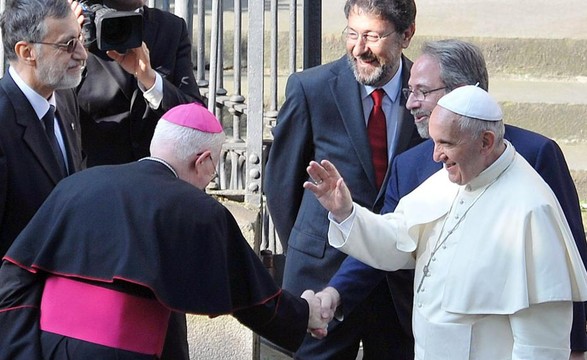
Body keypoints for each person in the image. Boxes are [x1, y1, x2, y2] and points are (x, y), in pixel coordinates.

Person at [319, 39, 587, 359]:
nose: (436, 155)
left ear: (485, 141)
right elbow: (398, 239)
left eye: (446, 143)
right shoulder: (451, 177)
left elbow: (541, 342)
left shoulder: (532, 206)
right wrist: (347, 213)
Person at [0, 102, 330, 360]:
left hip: (44, 345)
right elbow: (253, 298)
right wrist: (305, 315)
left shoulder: (76, 186)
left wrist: (21, 349)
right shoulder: (199, 210)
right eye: (213, 168)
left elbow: (16, 269)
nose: (210, 179)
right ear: (203, 161)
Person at [263, 0, 422, 357]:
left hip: (397, 282)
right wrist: (308, 247)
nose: (359, 47)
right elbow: (281, 184)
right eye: (352, 33)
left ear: (406, 34)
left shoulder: (427, 92)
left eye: (373, 36)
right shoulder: (312, 89)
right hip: (322, 276)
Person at [0, 0, 86, 257]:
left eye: (81, 39)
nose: (82, 53)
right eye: (68, 44)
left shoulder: (65, 98)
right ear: (27, 52)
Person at [77, 0, 202, 167]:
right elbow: (49, 110)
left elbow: (196, 117)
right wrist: (70, 49)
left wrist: (151, 81)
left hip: (160, 176)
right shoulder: (73, 26)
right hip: (94, 178)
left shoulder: (171, 27)